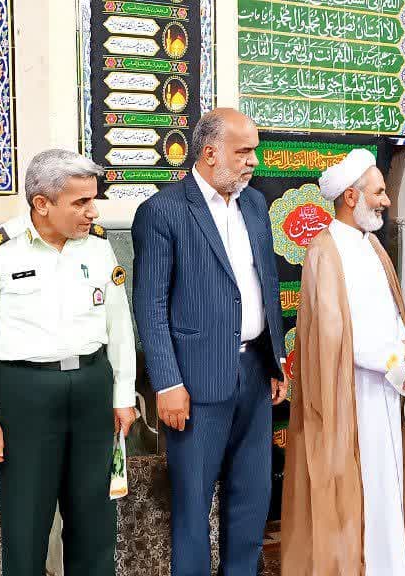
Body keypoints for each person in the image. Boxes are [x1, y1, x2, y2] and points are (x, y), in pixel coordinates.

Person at [0, 149, 138, 576]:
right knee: (26, 521)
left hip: (92, 386)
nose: (93, 211)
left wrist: (123, 395)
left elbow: (119, 327)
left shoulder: (98, 247)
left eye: (94, 199)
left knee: (96, 519)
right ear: (42, 203)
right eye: (80, 202)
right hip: (24, 392)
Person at [131, 108, 287, 576]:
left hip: (255, 374)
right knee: (193, 504)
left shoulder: (254, 204)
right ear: (211, 152)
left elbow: (266, 284)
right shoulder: (163, 211)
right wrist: (167, 383)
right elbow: (151, 306)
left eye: (254, 151)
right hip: (195, 382)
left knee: (252, 495)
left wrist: (276, 361)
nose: (253, 161)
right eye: (244, 152)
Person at [280, 149, 405, 575]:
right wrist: (395, 362)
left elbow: (393, 311)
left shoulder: (372, 245)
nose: (386, 200)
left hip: (387, 385)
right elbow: (338, 334)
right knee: (358, 485)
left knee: (386, 483)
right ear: (351, 196)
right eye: (379, 192)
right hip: (352, 393)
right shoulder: (325, 252)